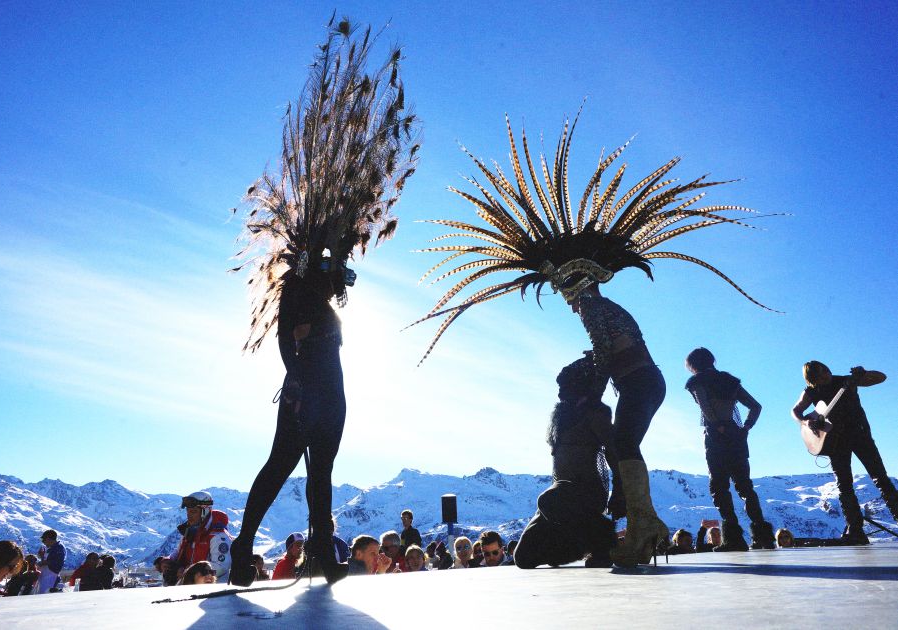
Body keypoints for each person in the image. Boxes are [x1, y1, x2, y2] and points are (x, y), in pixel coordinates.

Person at [410, 113, 772, 567]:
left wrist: (588, 393)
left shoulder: (594, 309)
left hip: (640, 382)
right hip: (642, 381)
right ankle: (639, 523)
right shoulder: (601, 310)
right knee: (624, 444)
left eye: (566, 291)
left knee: (623, 443)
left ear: (578, 284)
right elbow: (606, 352)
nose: (566, 300)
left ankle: (643, 526)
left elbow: (604, 353)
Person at [228, 18, 419, 588]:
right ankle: (244, 549)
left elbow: (306, 341)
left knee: (319, 474)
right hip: (311, 390)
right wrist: (305, 386)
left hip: (325, 389)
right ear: (316, 259)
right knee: (287, 466)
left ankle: (315, 553)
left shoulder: (314, 295)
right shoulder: (300, 290)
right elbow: (294, 347)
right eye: (335, 262)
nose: (344, 272)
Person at [514, 355, 618, 570]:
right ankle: (573, 543)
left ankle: (602, 540)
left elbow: (614, 451)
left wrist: (620, 491)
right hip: (560, 497)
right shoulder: (560, 417)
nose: (560, 394)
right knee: (523, 558)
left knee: (546, 500)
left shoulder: (596, 413)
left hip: (585, 492)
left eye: (566, 387)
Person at [792, 362, 898, 544]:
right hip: (835, 442)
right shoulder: (811, 392)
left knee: (880, 478)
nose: (826, 374)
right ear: (812, 379)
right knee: (844, 485)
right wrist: (806, 422)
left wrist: (864, 373)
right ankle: (856, 530)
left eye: (826, 370)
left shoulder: (846, 381)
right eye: (820, 374)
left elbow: (881, 377)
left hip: (860, 435)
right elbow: (795, 411)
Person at [685, 348, 774, 550]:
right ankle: (763, 536)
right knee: (745, 486)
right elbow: (756, 406)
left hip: (716, 436)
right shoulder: (731, 382)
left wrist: (716, 425)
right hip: (737, 436)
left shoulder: (696, 382)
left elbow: (704, 406)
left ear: (693, 364)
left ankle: (734, 538)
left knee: (719, 486)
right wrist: (746, 427)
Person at [170, 491, 233, 582]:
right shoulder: (189, 532)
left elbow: (221, 567)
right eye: (188, 511)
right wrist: (167, 561)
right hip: (192, 584)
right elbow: (178, 552)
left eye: (193, 512)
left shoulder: (218, 536)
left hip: (213, 589)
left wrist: (192, 572)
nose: (189, 515)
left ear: (205, 511)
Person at [34, 529, 65, 594]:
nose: (43, 542)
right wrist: (41, 556)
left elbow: (58, 563)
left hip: (51, 578)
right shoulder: (49, 548)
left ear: (48, 539)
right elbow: (46, 561)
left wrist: (43, 562)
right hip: (44, 577)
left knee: (46, 596)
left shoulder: (59, 548)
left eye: (44, 540)